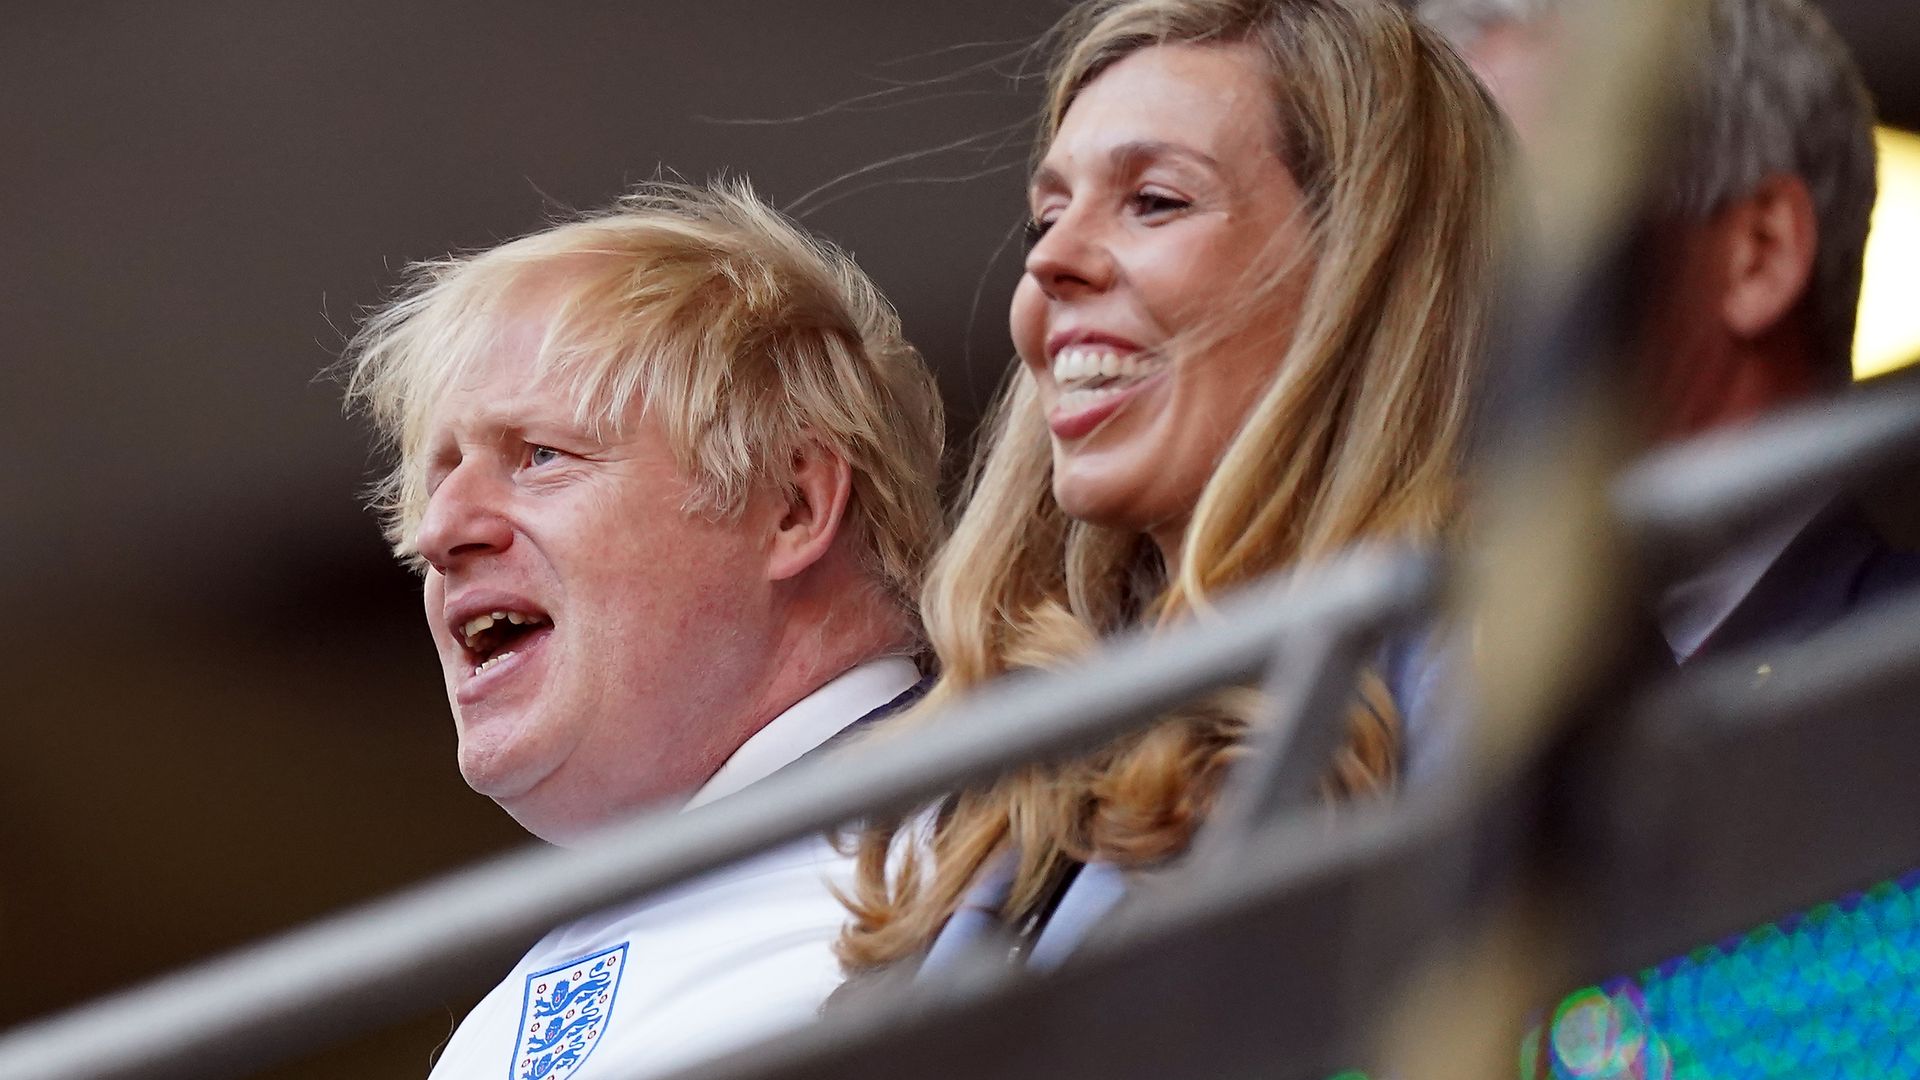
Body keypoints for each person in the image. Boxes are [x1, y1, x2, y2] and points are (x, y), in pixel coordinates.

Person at [835, 0, 1508, 980]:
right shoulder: (1033, 749)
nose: (1048, 260)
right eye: (1048, 213)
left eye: (1154, 201)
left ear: (1367, 277)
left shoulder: (1495, 643)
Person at [342, 181, 944, 1078]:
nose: (439, 531)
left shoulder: (1003, 852)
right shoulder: (523, 999)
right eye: (441, 478)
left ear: (792, 504)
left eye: (540, 456)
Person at [1419, 0, 1920, 663]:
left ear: (1759, 253)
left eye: (1510, 221)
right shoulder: (1396, 694)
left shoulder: (1890, 673)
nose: (1434, 297)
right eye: (1429, 240)